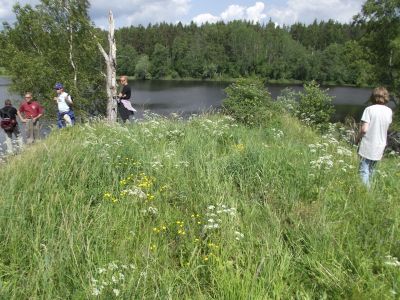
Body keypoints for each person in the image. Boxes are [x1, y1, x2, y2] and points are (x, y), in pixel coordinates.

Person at [356, 87, 393, 187]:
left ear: (373, 97)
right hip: (380, 144)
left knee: (364, 170)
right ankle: (371, 192)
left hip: (368, 144)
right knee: (372, 169)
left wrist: (357, 138)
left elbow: (364, 129)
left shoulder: (369, 109)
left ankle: (365, 194)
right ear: (386, 97)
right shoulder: (389, 111)